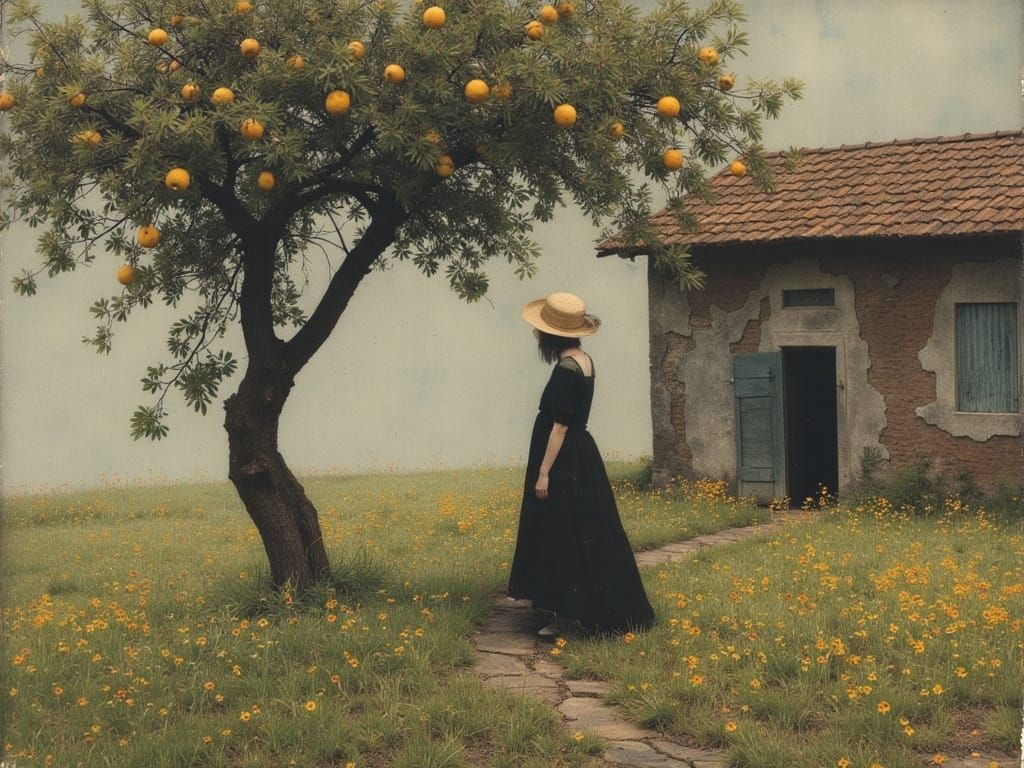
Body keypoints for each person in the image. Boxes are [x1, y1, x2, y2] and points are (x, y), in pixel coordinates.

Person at [508, 291, 655, 637]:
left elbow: (559, 425)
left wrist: (544, 471)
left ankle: (567, 615)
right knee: (586, 531)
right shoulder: (584, 360)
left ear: (551, 335)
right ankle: (585, 609)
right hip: (581, 455)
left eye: (540, 331)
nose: (537, 337)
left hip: (563, 460)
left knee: (563, 532)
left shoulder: (565, 369)